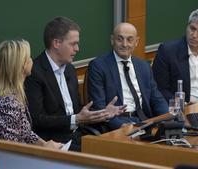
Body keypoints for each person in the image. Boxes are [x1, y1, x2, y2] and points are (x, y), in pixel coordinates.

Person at [24, 16, 124, 151]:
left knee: (121, 147)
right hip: (54, 143)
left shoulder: (70, 69)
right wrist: (75, 120)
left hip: (78, 135)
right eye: (73, 44)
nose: (77, 49)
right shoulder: (34, 72)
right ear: (56, 43)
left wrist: (102, 113)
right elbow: (37, 119)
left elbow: (77, 110)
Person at [87, 22, 168, 130]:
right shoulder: (98, 66)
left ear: (136, 42)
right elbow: (98, 107)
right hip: (117, 123)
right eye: (119, 39)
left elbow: (156, 98)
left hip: (144, 120)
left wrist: (169, 117)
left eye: (130, 39)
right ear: (112, 40)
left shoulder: (143, 66)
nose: (124, 44)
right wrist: (120, 126)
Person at [0, 40, 61, 149]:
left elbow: (25, 132)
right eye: (28, 58)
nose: (31, 60)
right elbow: (13, 151)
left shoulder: (14, 94)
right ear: (21, 65)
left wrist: (45, 144)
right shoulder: (8, 104)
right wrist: (45, 150)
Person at [152, 8, 198, 103]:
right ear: (187, 26)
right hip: (182, 106)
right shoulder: (167, 50)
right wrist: (180, 104)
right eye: (192, 28)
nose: (194, 35)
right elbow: (160, 88)